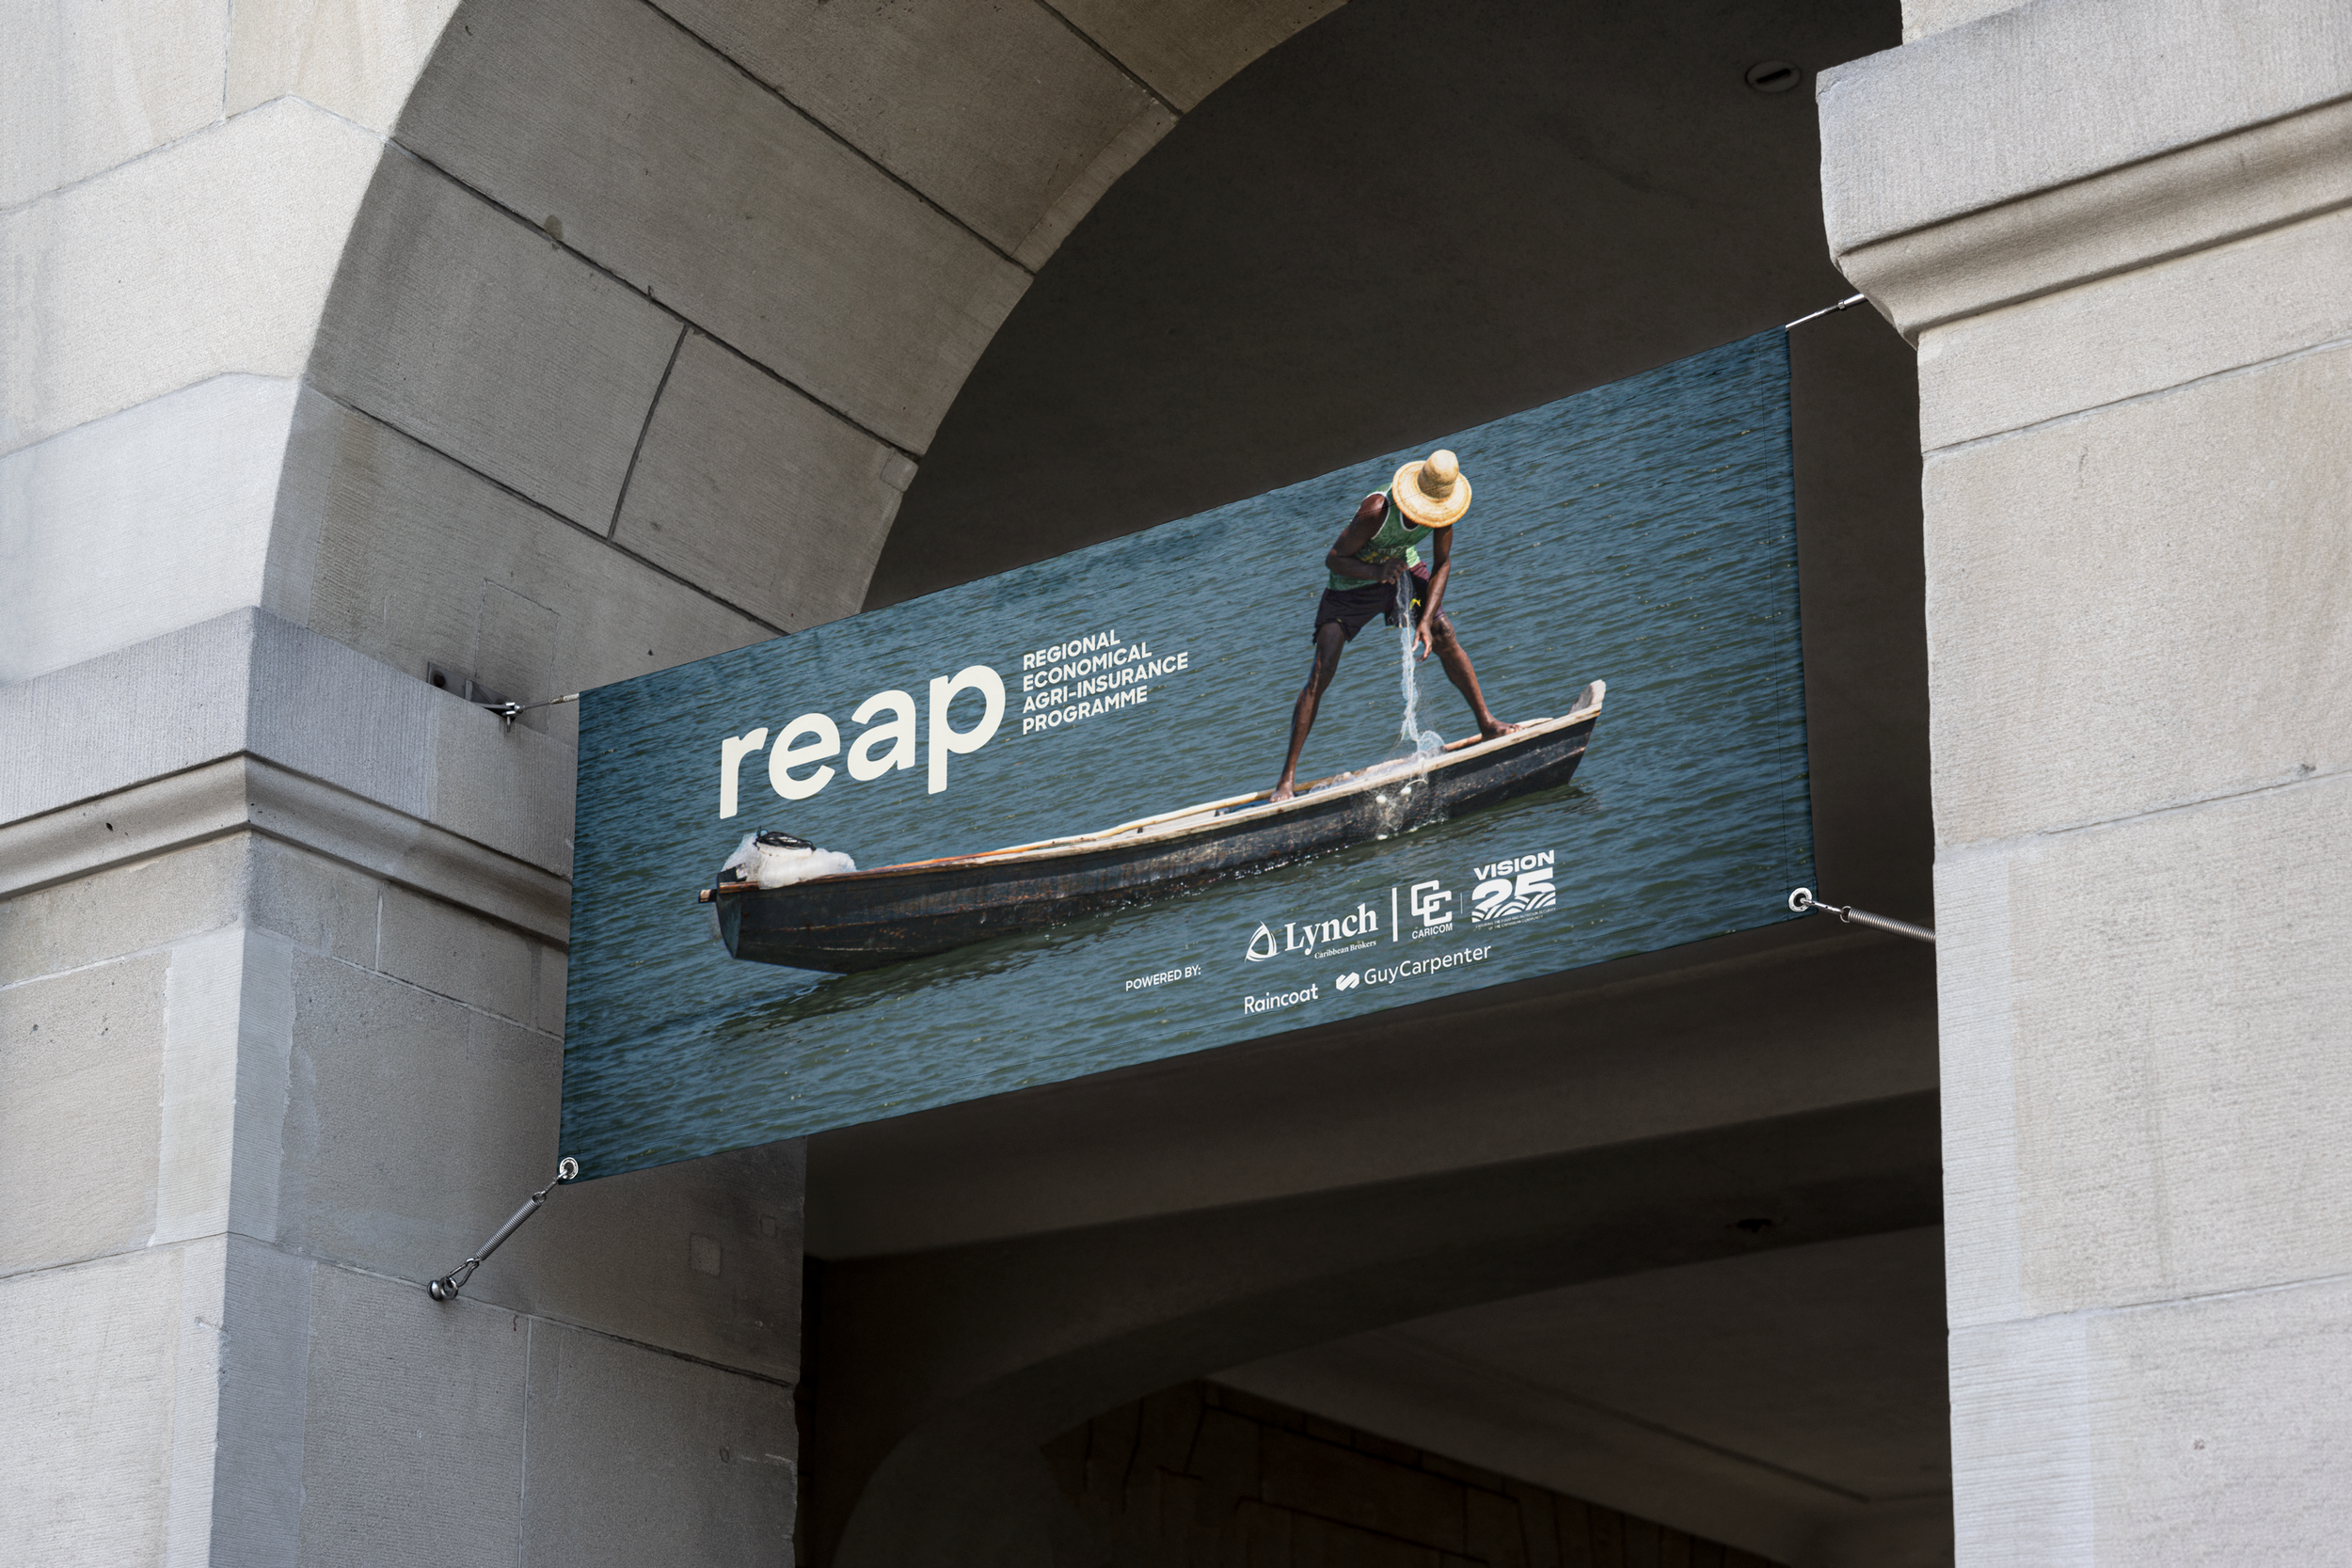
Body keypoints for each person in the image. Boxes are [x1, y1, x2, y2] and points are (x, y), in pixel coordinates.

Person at [1269, 449, 1518, 801]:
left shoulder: (1443, 511)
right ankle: (1286, 781)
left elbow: (1442, 563)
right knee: (1322, 669)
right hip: (1351, 587)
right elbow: (1335, 560)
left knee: (1445, 633)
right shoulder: (1377, 512)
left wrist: (1427, 620)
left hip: (1403, 573)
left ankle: (1487, 724)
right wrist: (1375, 572)